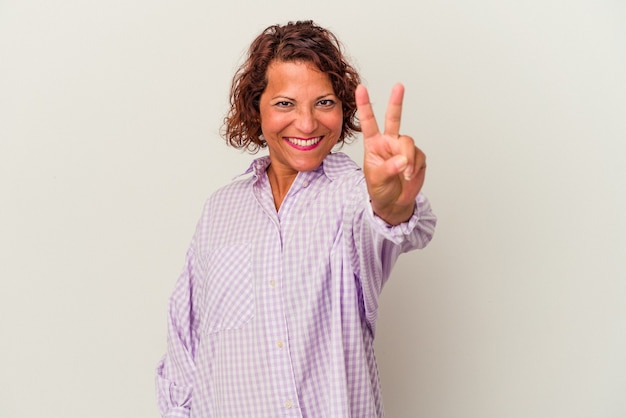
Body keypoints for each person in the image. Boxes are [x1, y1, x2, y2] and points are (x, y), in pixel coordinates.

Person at [155, 20, 436, 417]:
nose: (307, 123)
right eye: (285, 103)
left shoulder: (353, 196)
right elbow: (186, 346)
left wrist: (391, 202)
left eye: (324, 102)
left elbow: (391, 222)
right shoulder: (220, 210)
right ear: (257, 109)